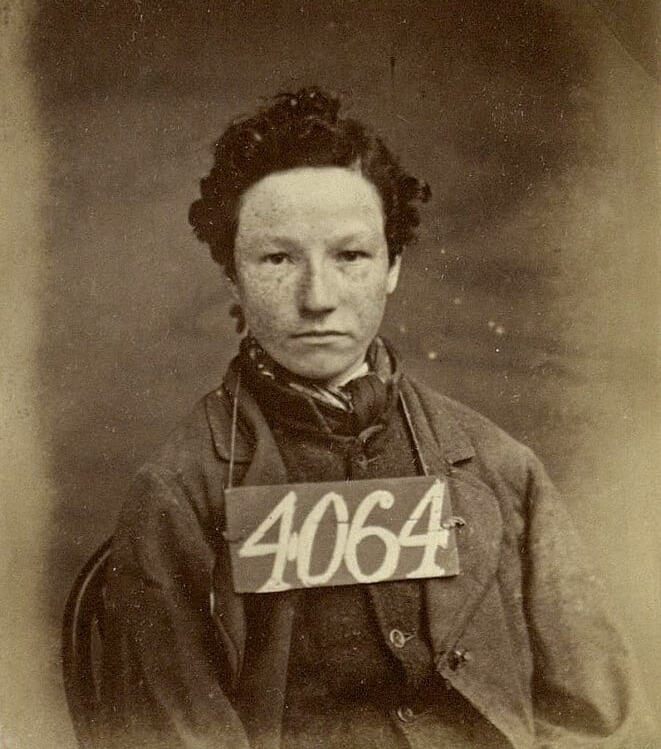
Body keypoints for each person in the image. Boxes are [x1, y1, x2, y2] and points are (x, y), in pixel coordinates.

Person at [102, 87, 656, 749]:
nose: (318, 298)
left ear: (392, 266)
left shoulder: (499, 467)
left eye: (350, 256)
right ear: (232, 278)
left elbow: (601, 723)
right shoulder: (179, 496)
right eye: (277, 259)